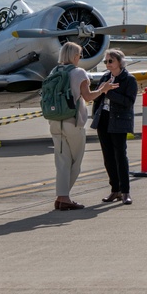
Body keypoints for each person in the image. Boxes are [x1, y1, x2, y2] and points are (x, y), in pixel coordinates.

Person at [49, 42, 118, 211]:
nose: (80, 58)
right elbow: (87, 97)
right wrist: (103, 89)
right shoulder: (79, 73)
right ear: (74, 56)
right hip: (73, 121)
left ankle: (61, 197)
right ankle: (64, 197)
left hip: (54, 121)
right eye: (79, 55)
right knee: (75, 161)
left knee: (62, 161)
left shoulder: (54, 71)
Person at [91, 49, 139, 205]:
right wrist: (96, 110)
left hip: (119, 120)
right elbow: (98, 95)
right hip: (104, 119)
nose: (107, 64)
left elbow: (128, 102)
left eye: (110, 61)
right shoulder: (105, 77)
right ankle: (115, 190)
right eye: (105, 61)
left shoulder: (129, 79)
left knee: (120, 156)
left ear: (120, 62)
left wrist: (108, 92)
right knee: (108, 157)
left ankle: (125, 192)